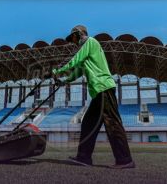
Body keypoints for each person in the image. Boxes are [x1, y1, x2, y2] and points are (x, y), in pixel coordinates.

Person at [51, 25, 135, 169]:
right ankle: (84, 158)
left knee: (112, 124)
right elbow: (75, 73)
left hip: (104, 88)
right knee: (88, 124)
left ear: (79, 34)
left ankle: (125, 160)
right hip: (98, 93)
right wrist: (63, 81)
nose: (73, 42)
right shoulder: (86, 55)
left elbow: (75, 60)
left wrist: (57, 70)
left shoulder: (91, 42)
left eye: (73, 38)